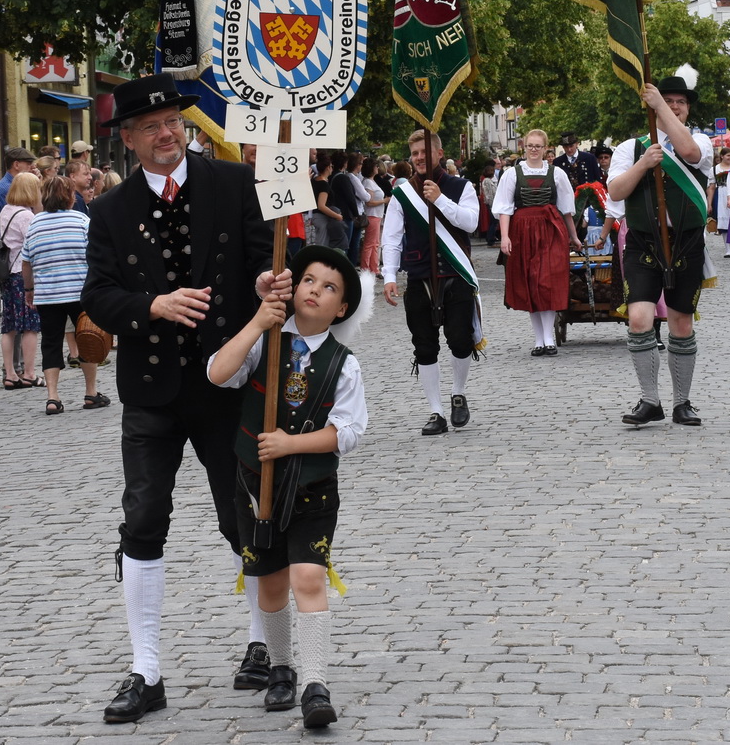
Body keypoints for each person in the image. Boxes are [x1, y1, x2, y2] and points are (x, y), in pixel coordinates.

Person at [79, 74, 285, 723]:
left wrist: (267, 282)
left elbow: (263, 262)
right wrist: (152, 306)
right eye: (154, 126)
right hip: (151, 390)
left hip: (225, 383)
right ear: (131, 138)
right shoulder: (110, 211)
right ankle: (146, 669)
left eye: (174, 121)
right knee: (142, 519)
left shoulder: (231, 184)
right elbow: (98, 296)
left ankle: (264, 645)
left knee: (243, 515)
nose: (168, 133)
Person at [208, 245, 368, 729]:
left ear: (341, 307)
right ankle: (280, 667)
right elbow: (218, 374)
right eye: (309, 281)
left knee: (307, 578)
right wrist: (258, 321)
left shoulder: (345, 363)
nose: (316, 290)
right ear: (293, 288)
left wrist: (291, 443)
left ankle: (314, 683)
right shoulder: (266, 341)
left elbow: (350, 432)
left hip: (312, 490)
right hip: (256, 488)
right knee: (272, 584)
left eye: (330, 287)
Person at [607, 76, 711, 428]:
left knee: (681, 323)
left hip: (686, 241)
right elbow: (616, 193)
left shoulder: (700, 140)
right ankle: (650, 400)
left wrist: (661, 109)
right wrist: (643, 164)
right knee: (639, 318)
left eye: (680, 101)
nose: (675, 105)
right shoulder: (629, 148)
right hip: (643, 241)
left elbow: (690, 155)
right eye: (668, 99)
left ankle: (683, 401)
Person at [381, 129, 482, 434]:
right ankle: (436, 410)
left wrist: (440, 201)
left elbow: (471, 223)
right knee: (424, 346)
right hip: (419, 274)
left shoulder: (460, 186)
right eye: (414, 154)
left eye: (425, 152)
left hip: (455, 274)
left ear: (439, 153)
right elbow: (392, 238)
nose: (420, 158)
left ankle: (458, 393)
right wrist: (389, 276)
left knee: (461, 339)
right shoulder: (402, 194)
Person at [494, 130, 578, 357]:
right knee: (530, 282)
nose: (533, 149)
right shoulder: (512, 174)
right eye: (530, 145)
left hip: (550, 230)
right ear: (524, 147)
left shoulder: (556, 174)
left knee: (546, 281)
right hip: (522, 231)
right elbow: (504, 209)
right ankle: (539, 339)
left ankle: (549, 338)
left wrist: (574, 237)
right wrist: (505, 237)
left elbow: (567, 209)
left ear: (545, 149)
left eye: (538, 146)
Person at [23, 176, 102, 415]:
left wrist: (29, 290)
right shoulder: (81, 220)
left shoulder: (35, 224)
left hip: (48, 295)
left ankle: (52, 397)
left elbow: (27, 263)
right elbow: (96, 255)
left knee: (50, 343)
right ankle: (90, 392)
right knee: (87, 339)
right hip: (81, 292)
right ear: (70, 197)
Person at [0, 170, 44, 390]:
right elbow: (36, 244)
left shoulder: (7, 211)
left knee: (9, 326)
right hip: (22, 275)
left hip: (8, 274)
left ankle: (9, 373)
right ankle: (29, 372)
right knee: (30, 326)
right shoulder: (26, 216)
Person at [0, 145, 38, 222]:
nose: (32, 167)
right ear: (16, 165)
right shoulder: (6, 188)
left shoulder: (10, 186)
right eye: (28, 163)